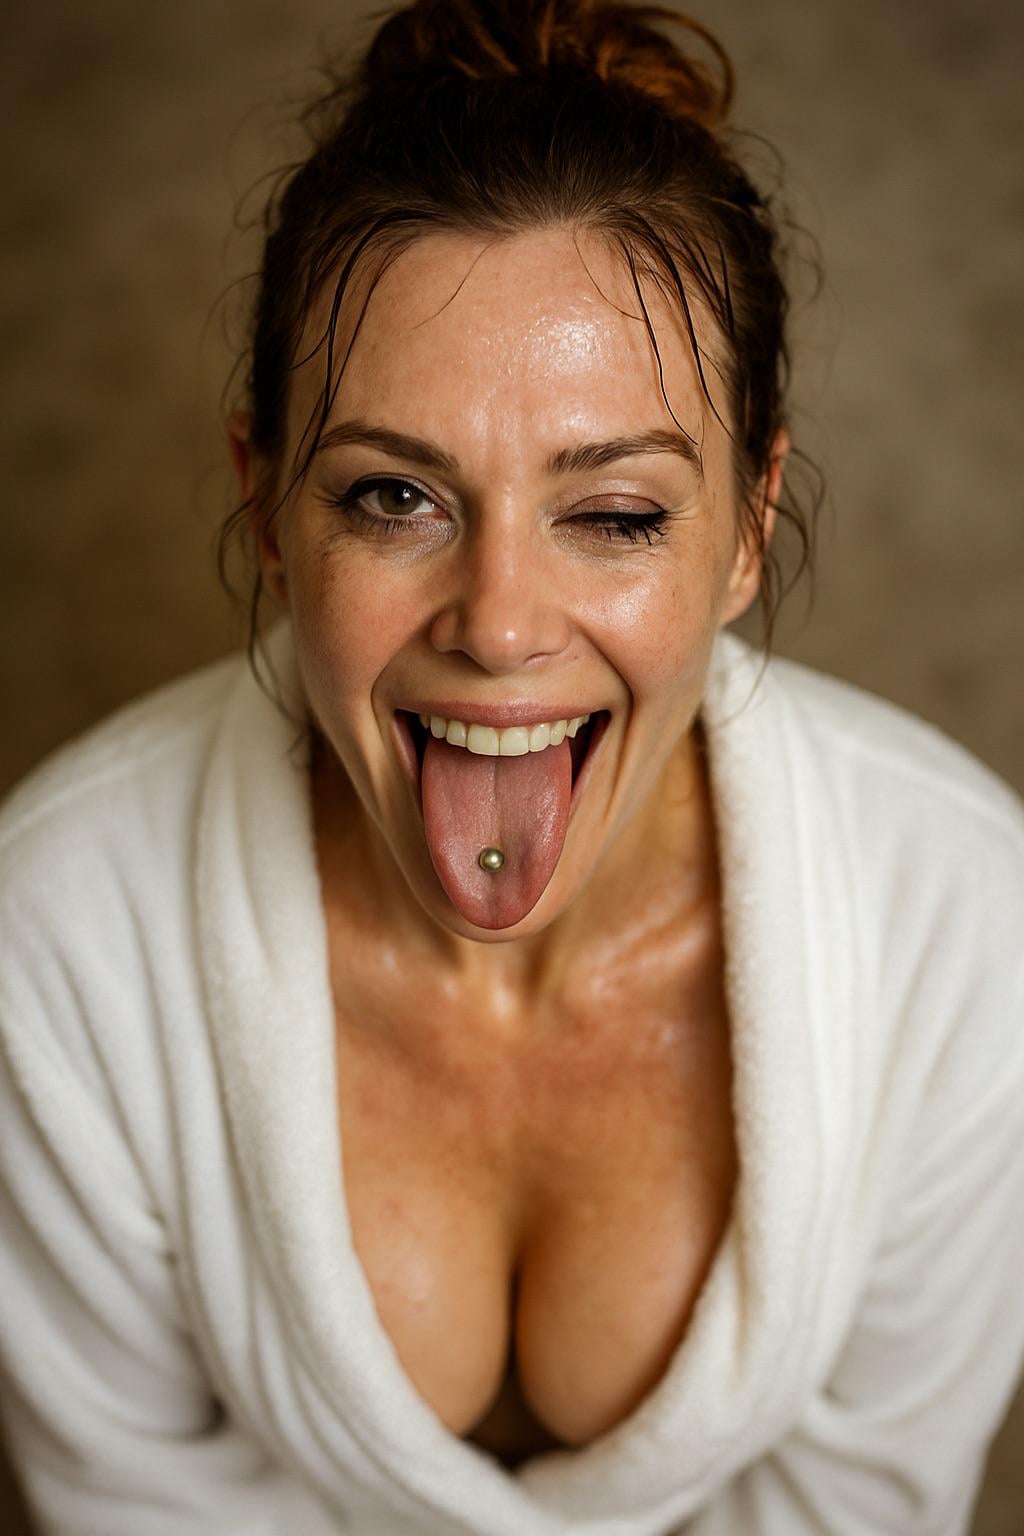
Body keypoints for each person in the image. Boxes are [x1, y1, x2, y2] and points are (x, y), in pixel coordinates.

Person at [1, 1, 1022, 1532]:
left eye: (614, 514)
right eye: (394, 496)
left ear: (750, 525)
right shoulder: (57, 935)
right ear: (266, 505)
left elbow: (854, 1507)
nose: (497, 625)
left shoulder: (963, 922)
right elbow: (136, 1504)